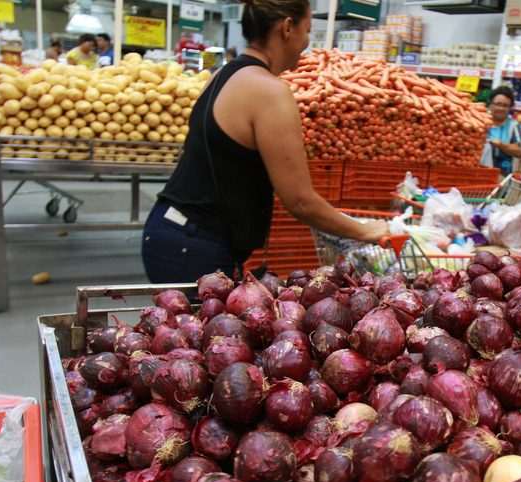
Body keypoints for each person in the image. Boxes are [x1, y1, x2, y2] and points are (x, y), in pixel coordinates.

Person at [141, 0, 387, 284]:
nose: (306, 42)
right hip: (195, 244)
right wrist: (366, 230)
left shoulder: (223, 75)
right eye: (307, 30)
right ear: (287, 28)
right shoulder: (269, 92)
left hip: (172, 229)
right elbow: (300, 201)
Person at [481, 86, 521, 176]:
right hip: (478, 173)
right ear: (490, 104)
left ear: (510, 108)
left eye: (505, 105)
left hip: (502, 176)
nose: (501, 108)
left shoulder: (513, 126)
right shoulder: (480, 120)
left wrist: (501, 145)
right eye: (498, 104)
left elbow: (519, 152)